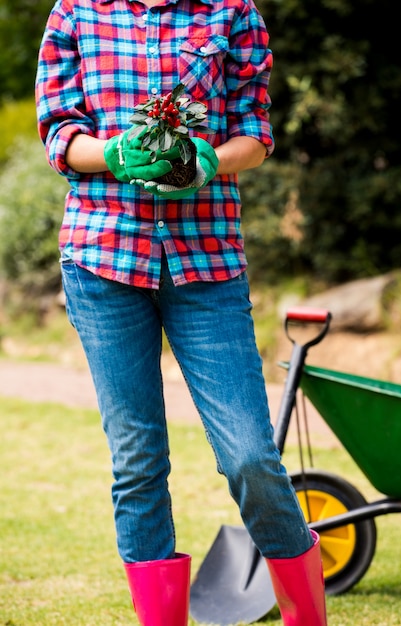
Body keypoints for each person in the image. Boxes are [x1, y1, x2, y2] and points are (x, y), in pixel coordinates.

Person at [35, 0, 327, 624]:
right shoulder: (75, 12)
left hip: (207, 265)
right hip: (103, 259)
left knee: (250, 453)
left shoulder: (232, 11)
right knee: (138, 460)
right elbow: (59, 133)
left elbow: (257, 132)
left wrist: (209, 158)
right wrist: (112, 154)